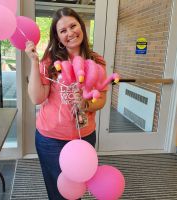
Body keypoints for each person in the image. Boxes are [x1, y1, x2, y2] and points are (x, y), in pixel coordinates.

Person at [25, 7, 107, 200]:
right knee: (58, 192)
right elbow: (37, 98)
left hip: (83, 137)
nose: (70, 33)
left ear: (82, 26)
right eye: (63, 31)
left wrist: (85, 105)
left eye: (73, 26)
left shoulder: (97, 61)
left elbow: (101, 100)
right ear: (58, 36)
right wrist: (34, 63)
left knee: (76, 189)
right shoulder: (48, 61)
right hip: (50, 140)